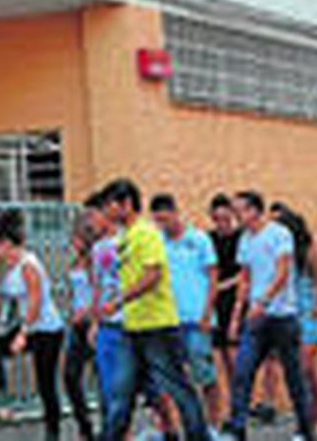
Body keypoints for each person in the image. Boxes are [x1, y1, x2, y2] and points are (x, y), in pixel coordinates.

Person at [97, 178, 208, 441]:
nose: (106, 211)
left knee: (178, 389)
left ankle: (198, 435)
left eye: (110, 205)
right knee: (120, 392)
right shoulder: (127, 236)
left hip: (157, 326)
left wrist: (118, 300)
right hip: (133, 327)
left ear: (126, 204)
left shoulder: (146, 234)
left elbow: (153, 275)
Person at [220, 191, 314, 441]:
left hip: (283, 317)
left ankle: (305, 429)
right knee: (242, 370)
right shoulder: (245, 240)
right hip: (256, 319)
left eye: (239, 210)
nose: (235, 215)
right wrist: (236, 315)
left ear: (254, 211)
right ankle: (237, 427)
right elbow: (245, 278)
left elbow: (283, 273)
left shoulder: (279, 234)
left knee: (294, 377)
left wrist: (264, 300)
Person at [0, 208, 68, 439]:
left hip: (48, 329)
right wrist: (4, 323)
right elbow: (12, 299)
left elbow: (35, 300)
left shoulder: (28, 264)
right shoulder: (10, 264)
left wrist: (23, 333)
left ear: (8, 244)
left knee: (46, 383)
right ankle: (2, 402)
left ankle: (53, 433)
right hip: (30, 327)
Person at [152, 193, 222, 429]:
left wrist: (207, 314)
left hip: (196, 320)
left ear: (175, 213)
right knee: (170, 380)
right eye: (157, 221)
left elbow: (213, 278)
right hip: (168, 321)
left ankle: (212, 425)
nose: (162, 225)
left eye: (165, 219)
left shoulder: (199, 239)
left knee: (205, 376)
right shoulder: (157, 242)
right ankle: (173, 428)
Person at [272, 203, 317, 439]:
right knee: (297, 372)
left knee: (306, 367)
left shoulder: (307, 249)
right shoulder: (277, 250)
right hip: (288, 314)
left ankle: (316, 417)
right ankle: (304, 422)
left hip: (307, 313)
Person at [86, 190, 131, 435]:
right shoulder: (98, 248)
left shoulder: (128, 239)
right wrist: (95, 322)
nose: (90, 222)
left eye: (93, 216)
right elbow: (98, 285)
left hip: (130, 322)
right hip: (107, 325)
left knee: (127, 389)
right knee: (107, 389)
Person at [208, 194, 245, 421]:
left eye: (225, 218)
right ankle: (228, 408)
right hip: (215, 302)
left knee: (234, 358)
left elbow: (244, 273)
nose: (221, 223)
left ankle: (239, 404)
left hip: (234, 300)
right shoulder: (208, 239)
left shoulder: (241, 239)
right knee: (220, 355)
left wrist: (224, 284)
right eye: (217, 219)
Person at [62, 214, 99, 440]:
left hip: (93, 324)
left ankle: (114, 428)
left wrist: (88, 314)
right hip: (77, 326)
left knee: (103, 378)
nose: (72, 243)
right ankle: (85, 427)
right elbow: (74, 292)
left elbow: (100, 292)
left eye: (75, 239)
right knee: (70, 375)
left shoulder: (95, 262)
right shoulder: (74, 262)